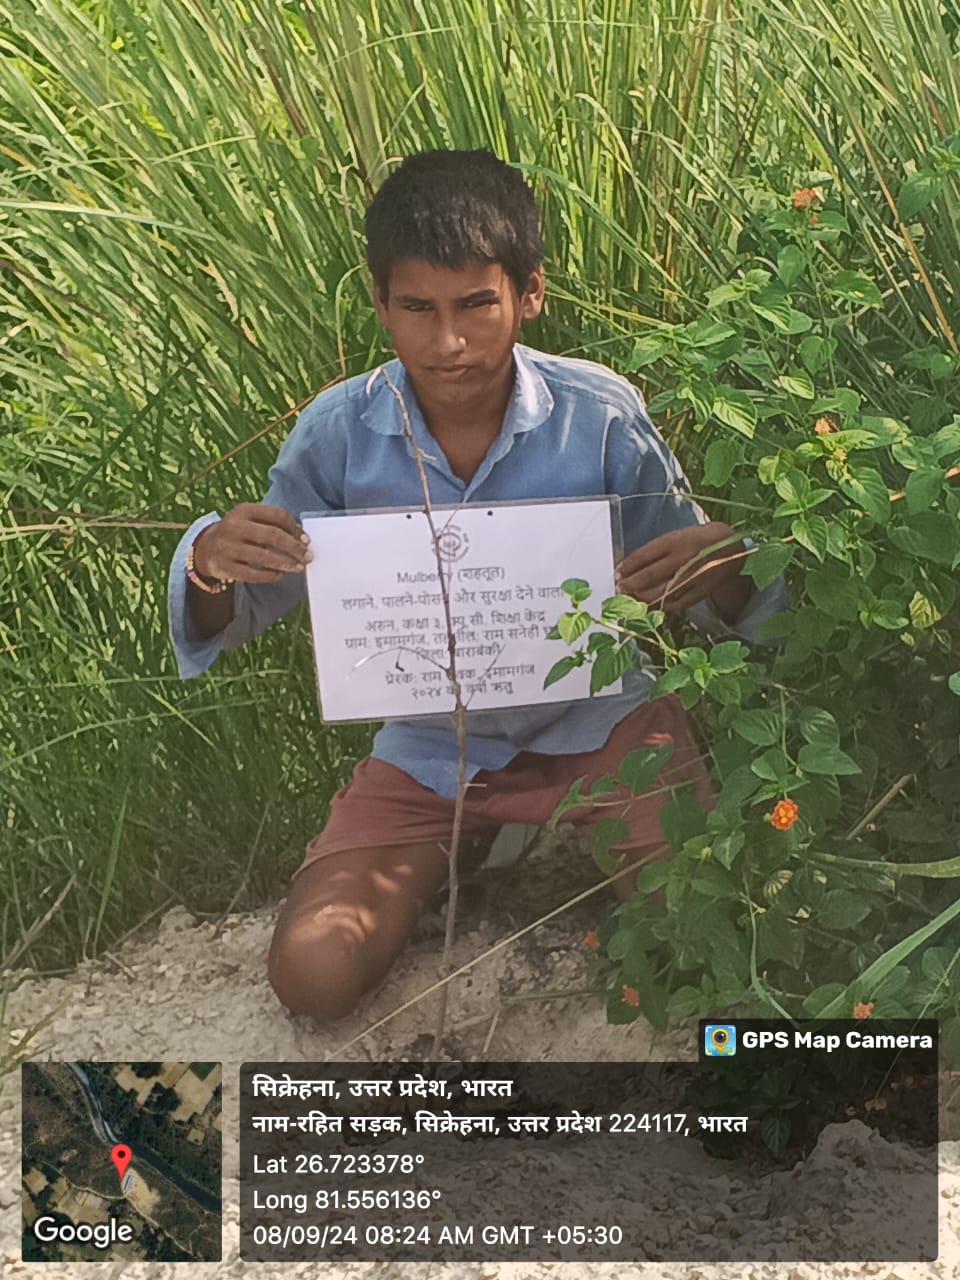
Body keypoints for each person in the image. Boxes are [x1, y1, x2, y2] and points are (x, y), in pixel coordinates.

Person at [168, 149, 786, 1023]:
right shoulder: (339, 433)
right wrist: (211, 564)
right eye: (416, 307)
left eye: (476, 305)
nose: (447, 340)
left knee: (712, 940)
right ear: (380, 302)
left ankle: (534, 833)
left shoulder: (601, 414)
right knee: (313, 976)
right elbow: (251, 596)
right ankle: (470, 840)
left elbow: (693, 578)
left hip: (603, 722)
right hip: (433, 749)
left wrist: (725, 567)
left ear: (528, 293)